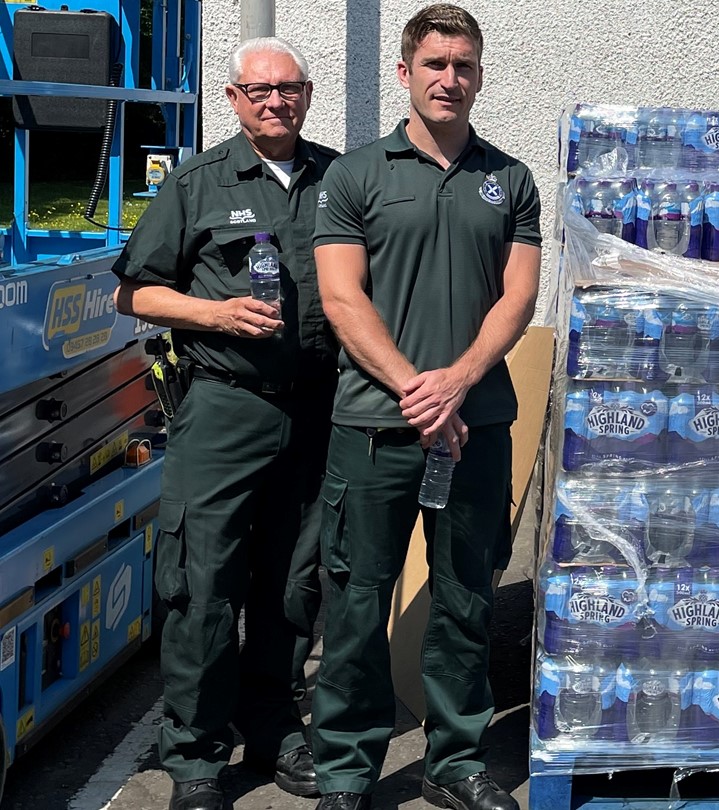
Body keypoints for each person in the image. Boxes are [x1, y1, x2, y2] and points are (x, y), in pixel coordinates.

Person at [307, 5, 541, 810]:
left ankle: (456, 763)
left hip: (476, 426)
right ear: (405, 73)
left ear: (480, 74)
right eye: (436, 64)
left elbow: (518, 297)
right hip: (373, 429)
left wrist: (460, 381)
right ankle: (344, 770)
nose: (451, 79)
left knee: (465, 597)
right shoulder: (356, 176)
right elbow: (342, 299)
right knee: (356, 602)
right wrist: (419, 386)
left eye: (465, 65)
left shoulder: (510, 179)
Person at [111, 37, 338, 810]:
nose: (276, 101)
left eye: (290, 88)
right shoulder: (200, 184)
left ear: (307, 95)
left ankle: (274, 728)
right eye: (259, 89)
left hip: (314, 409)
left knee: (291, 584)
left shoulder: (339, 178)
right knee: (201, 585)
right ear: (235, 99)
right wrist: (213, 312)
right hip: (223, 407)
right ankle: (197, 755)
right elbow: (134, 294)